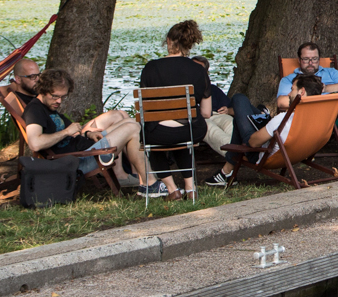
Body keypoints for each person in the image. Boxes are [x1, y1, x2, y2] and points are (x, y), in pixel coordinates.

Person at [23, 69, 163, 196]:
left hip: (87, 148)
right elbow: (35, 144)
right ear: (43, 90)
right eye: (55, 96)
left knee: (131, 122)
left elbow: (73, 133)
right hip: (82, 159)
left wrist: (87, 134)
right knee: (132, 129)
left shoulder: (49, 107)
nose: (59, 101)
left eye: (62, 97)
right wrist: (66, 132)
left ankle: (145, 181)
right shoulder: (34, 110)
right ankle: (150, 184)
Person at [136, 20, 214, 199]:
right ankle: (190, 188)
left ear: (169, 41)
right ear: (189, 45)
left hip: (159, 132)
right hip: (191, 131)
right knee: (183, 137)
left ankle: (172, 189)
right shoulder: (199, 70)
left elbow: (146, 109)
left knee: (151, 140)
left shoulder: (150, 68)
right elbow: (206, 113)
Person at [276, 41, 338, 158]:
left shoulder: (330, 72)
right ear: (299, 60)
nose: (310, 63)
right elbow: (281, 102)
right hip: (307, 117)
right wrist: (310, 98)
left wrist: (325, 88)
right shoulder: (289, 79)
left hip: (332, 115)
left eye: (314, 59)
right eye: (306, 59)